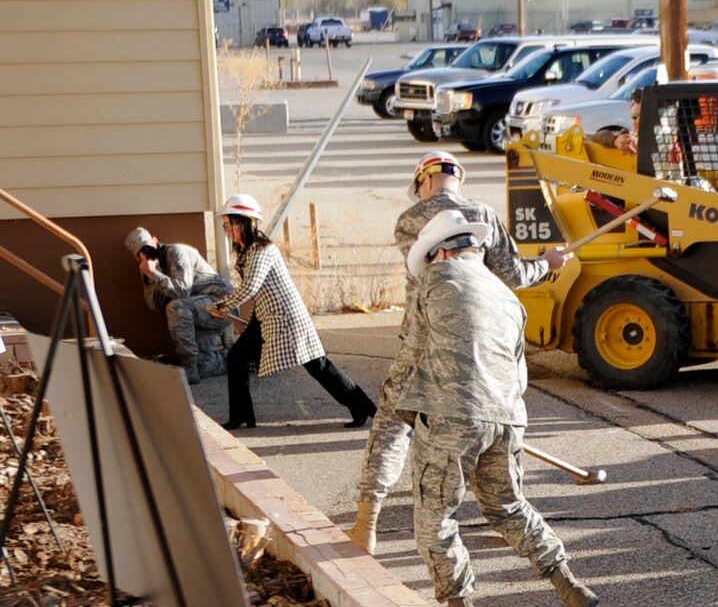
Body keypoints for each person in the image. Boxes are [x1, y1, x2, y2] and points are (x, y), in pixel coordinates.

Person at [398, 210, 600, 607]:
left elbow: (409, 357)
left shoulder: (432, 282)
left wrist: (395, 411)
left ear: (440, 251)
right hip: (507, 418)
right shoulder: (507, 296)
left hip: (452, 416)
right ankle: (570, 587)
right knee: (508, 506)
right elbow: (518, 374)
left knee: (435, 516)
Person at [351, 151, 569, 554]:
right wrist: (549, 263)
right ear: (456, 177)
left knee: (392, 424)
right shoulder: (481, 217)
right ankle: (510, 518)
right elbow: (515, 276)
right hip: (475, 344)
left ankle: (367, 522)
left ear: (427, 181)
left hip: (420, 335)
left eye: (418, 188)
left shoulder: (409, 221)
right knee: (488, 422)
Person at [212, 194, 375, 433]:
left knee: (318, 366)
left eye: (231, 224)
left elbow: (250, 287)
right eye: (225, 225)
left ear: (246, 223)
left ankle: (363, 407)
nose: (228, 230)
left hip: (287, 319)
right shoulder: (248, 250)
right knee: (236, 357)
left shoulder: (261, 250)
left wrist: (221, 306)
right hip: (266, 317)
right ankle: (241, 416)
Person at [123, 226, 232, 382]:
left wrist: (156, 274)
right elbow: (155, 306)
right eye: (143, 252)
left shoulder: (176, 253)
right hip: (198, 318)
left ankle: (188, 368)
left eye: (149, 248)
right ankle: (240, 358)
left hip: (222, 305)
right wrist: (153, 276)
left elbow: (182, 292)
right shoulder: (148, 271)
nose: (148, 254)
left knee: (176, 307)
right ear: (138, 257)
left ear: (156, 241)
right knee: (203, 366)